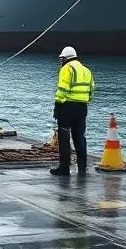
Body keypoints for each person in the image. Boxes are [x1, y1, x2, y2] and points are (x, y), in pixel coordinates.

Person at [50, 45, 93, 177]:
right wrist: (83, 101)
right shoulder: (87, 70)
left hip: (67, 107)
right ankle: (82, 167)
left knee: (64, 137)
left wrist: (58, 104)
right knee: (79, 137)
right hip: (82, 107)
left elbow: (62, 89)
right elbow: (91, 90)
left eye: (62, 59)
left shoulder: (66, 69)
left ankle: (64, 168)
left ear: (65, 58)